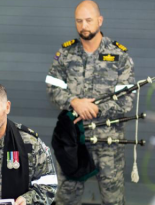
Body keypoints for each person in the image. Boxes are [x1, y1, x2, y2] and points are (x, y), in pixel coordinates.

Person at [46, 1, 135, 205]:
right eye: (79, 21)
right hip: (73, 141)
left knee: (113, 200)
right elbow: (52, 88)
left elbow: (126, 100)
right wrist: (74, 102)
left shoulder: (120, 56)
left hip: (109, 143)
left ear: (99, 21)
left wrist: (95, 108)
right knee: (66, 198)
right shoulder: (65, 54)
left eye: (88, 20)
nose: (83, 26)